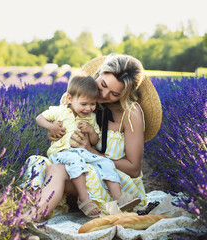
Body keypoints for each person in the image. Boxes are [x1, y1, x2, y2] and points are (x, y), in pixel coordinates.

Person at [21, 53, 162, 220]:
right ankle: (30, 211)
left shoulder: (131, 113)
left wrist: (90, 151)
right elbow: (61, 134)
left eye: (114, 94)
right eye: (103, 85)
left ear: (124, 95)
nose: (103, 95)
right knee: (40, 164)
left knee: (56, 171)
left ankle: (28, 217)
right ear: (99, 72)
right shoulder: (79, 101)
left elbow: (134, 168)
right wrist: (54, 131)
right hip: (79, 172)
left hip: (115, 182)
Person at [35, 74, 141, 217]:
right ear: (70, 99)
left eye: (93, 104)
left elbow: (95, 140)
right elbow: (40, 118)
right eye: (84, 104)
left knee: (106, 162)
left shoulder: (90, 117)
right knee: (69, 164)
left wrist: (90, 131)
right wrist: (51, 128)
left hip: (83, 155)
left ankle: (119, 197)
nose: (89, 108)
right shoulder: (61, 110)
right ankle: (84, 200)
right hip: (64, 154)